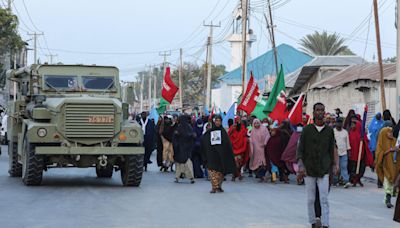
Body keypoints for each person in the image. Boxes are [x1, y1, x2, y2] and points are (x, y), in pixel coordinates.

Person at [297, 102, 336, 228]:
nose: (320, 112)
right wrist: (301, 165)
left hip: (324, 169)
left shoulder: (329, 131)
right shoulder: (307, 130)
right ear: (313, 113)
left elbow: (332, 149)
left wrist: (335, 165)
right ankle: (313, 222)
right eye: (317, 110)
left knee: (324, 199)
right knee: (311, 199)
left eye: (322, 110)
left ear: (324, 113)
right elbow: (300, 149)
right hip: (309, 169)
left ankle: (325, 223)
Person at [201, 115, 236, 193]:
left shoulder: (223, 132)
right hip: (212, 154)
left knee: (221, 171)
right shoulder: (209, 132)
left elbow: (227, 144)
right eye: (216, 121)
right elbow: (204, 141)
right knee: (212, 170)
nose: (218, 122)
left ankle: (219, 186)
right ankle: (214, 187)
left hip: (221, 155)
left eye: (219, 121)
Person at [375, 127, 399, 208]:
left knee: (393, 184)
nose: (391, 134)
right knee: (387, 184)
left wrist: (397, 149)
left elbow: (398, 149)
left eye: (392, 132)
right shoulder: (381, 142)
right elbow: (378, 155)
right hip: (385, 167)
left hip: (394, 166)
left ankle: (387, 199)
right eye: (389, 132)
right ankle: (388, 200)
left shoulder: (395, 141)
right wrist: (389, 150)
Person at [348, 119, 373, 187]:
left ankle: (358, 179)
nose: (352, 126)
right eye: (351, 124)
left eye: (353, 124)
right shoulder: (350, 133)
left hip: (361, 155)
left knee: (361, 169)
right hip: (353, 155)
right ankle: (353, 180)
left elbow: (366, 142)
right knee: (353, 168)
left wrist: (363, 140)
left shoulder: (361, 134)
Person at [173, 115, 195, 184]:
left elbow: (175, 138)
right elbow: (191, 136)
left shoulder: (180, 127)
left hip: (181, 149)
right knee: (187, 163)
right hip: (185, 149)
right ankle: (190, 178)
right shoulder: (189, 127)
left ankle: (178, 177)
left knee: (181, 164)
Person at [333, 117, 352, 188]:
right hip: (335, 153)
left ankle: (346, 181)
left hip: (344, 153)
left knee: (344, 167)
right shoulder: (333, 131)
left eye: (341, 122)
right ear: (336, 123)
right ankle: (335, 181)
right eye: (338, 122)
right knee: (336, 168)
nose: (340, 124)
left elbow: (347, 143)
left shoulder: (345, 132)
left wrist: (349, 152)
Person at [228, 117, 249, 181]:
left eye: (240, 120)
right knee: (235, 163)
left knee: (240, 163)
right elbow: (228, 134)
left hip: (241, 148)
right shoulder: (233, 127)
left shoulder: (243, 127)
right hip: (234, 148)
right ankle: (236, 175)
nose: (239, 121)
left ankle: (237, 174)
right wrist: (232, 129)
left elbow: (245, 134)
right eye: (237, 120)